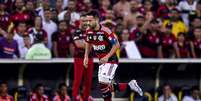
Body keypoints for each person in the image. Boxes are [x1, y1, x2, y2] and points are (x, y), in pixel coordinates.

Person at [83, 11, 143, 101]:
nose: (88, 23)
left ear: (96, 19)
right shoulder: (88, 31)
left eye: (90, 20)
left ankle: (130, 86)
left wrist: (107, 57)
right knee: (105, 87)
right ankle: (130, 85)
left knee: (103, 84)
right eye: (87, 21)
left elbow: (117, 45)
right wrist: (86, 56)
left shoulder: (105, 31)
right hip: (102, 61)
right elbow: (88, 42)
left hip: (111, 60)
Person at [72, 14, 94, 101]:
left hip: (90, 58)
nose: (85, 22)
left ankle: (86, 98)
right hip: (79, 58)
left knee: (88, 81)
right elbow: (78, 44)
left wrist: (85, 43)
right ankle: (74, 98)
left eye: (86, 21)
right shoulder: (76, 31)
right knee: (78, 80)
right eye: (83, 21)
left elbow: (94, 45)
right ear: (79, 22)